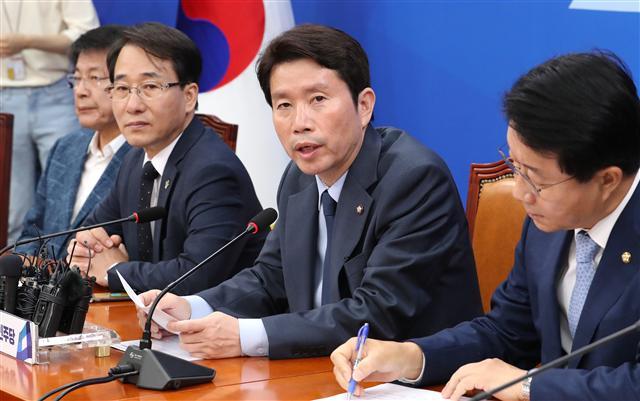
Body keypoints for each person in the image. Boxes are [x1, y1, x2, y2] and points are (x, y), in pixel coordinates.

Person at [136, 24, 482, 360]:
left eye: (318, 99)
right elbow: (270, 278)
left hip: (412, 382)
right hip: (319, 369)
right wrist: (191, 307)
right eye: (284, 105)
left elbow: (377, 313)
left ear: (364, 106)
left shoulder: (414, 179)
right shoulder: (298, 178)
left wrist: (245, 336)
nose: (299, 123)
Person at [331, 51, 640, 401]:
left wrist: (529, 385)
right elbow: (507, 331)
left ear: (607, 180)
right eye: (515, 167)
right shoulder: (548, 224)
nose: (520, 193)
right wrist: (410, 357)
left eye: (536, 180)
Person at [67, 23, 266, 295]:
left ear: (189, 96)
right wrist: (87, 248)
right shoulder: (135, 161)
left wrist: (115, 269)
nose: (133, 105)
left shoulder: (213, 171)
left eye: (150, 86)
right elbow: (89, 235)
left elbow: (196, 275)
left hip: (218, 318)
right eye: (122, 88)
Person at [15, 25, 131, 260]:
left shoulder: (142, 158)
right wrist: (27, 266)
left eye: (95, 77)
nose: (80, 91)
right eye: (77, 78)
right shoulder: (65, 147)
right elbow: (32, 232)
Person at [0, 0, 99, 243]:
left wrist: (28, 41)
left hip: (56, 91)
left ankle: (68, 261)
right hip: (4, 95)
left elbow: (87, 34)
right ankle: (14, 264)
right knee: (11, 205)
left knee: (66, 192)